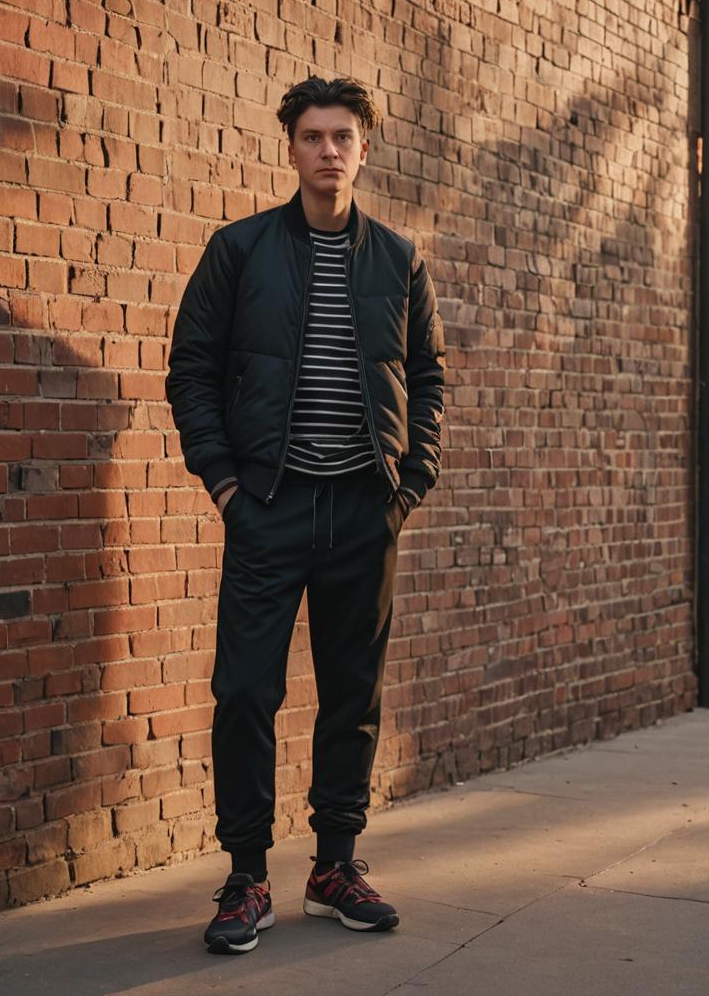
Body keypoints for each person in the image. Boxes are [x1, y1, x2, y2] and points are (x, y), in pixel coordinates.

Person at [165, 75, 446, 955]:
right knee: (245, 690)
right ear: (291, 148)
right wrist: (223, 486)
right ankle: (246, 877)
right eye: (313, 136)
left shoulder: (399, 259)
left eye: (343, 137)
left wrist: (410, 485)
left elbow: (430, 378)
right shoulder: (240, 251)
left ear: (365, 149)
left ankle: (334, 867)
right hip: (270, 507)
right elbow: (192, 372)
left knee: (352, 696)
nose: (329, 150)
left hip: (366, 508)